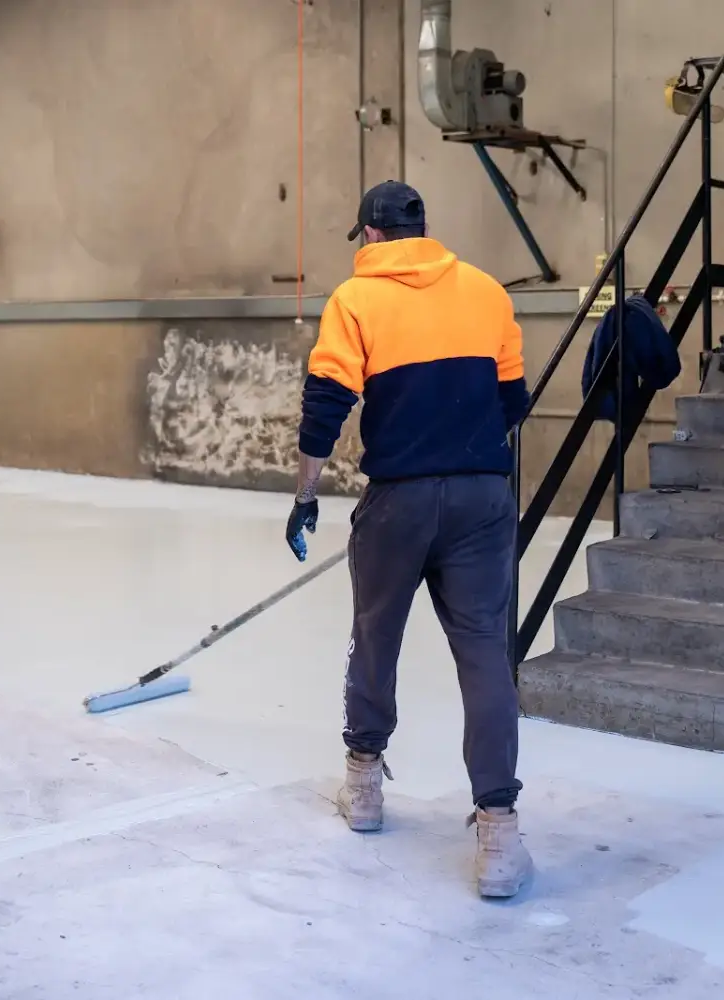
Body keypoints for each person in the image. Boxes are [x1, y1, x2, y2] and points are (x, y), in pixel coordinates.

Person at [285, 180, 532, 898]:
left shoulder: (354, 301)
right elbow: (511, 400)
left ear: (368, 235)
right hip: (485, 498)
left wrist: (305, 498)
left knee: (375, 635)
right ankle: (500, 837)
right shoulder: (486, 291)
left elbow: (324, 408)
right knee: (486, 655)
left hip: (398, 501)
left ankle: (363, 788)